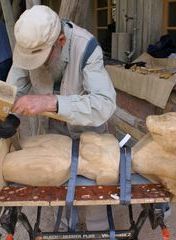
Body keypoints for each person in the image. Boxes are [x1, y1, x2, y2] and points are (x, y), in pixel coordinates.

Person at [6, 5, 116, 231]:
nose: (33, 65)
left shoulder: (86, 47)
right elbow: (13, 90)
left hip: (89, 130)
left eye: (40, 59)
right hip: (52, 131)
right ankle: (68, 227)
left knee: (96, 190)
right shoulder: (29, 42)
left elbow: (104, 104)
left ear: (61, 41)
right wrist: (8, 116)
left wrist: (52, 102)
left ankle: (100, 230)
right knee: (59, 186)